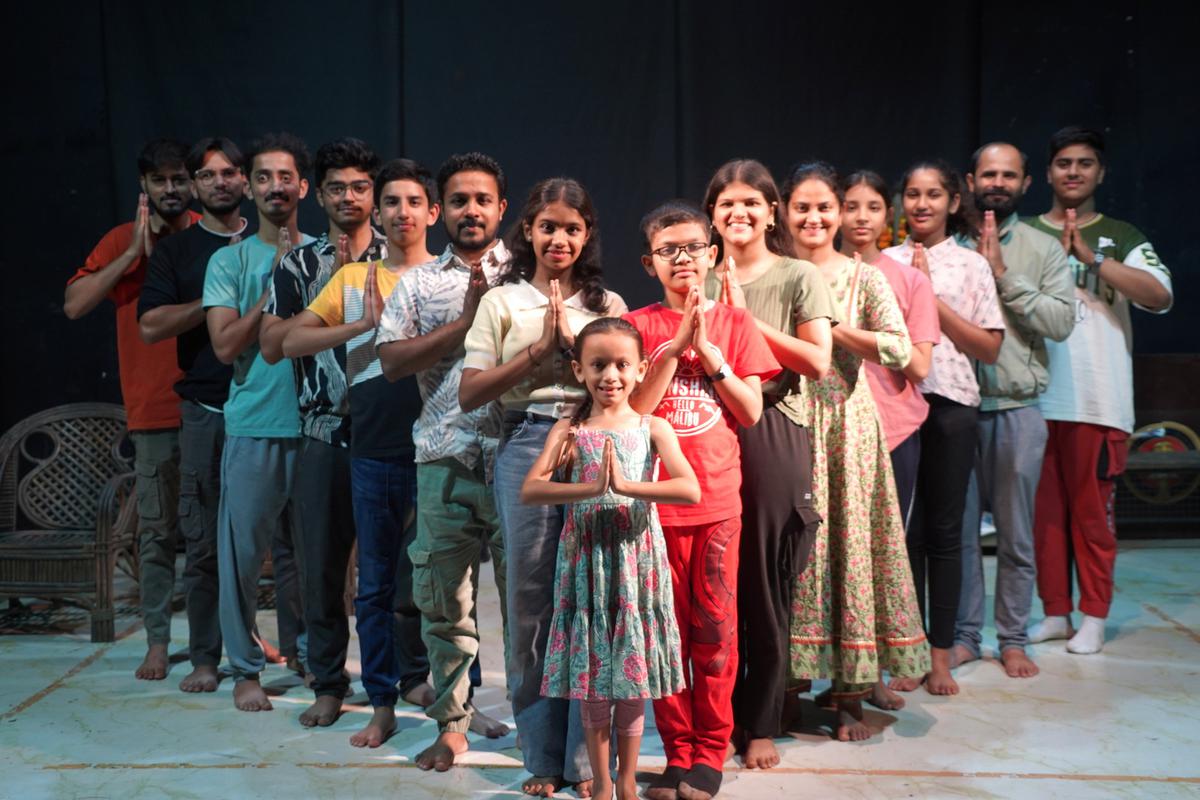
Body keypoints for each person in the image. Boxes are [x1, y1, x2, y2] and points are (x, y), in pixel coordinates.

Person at [460, 176, 627, 798]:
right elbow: (470, 391)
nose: (560, 238)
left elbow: (625, 382)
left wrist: (582, 349)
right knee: (530, 603)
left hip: (592, 441)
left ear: (587, 236)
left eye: (573, 228)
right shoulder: (501, 303)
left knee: (591, 602)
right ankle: (542, 757)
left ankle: (588, 760)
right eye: (548, 226)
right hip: (527, 437)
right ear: (527, 230)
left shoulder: (606, 302)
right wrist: (538, 353)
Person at [283, 157, 444, 745]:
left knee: (429, 584)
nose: (404, 212)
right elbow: (290, 340)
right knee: (365, 583)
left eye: (415, 202)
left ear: (433, 212)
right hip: (366, 445)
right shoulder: (355, 280)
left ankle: (430, 688)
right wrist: (358, 328)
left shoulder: (450, 279)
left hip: (436, 449)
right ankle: (360, 695)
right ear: (380, 213)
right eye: (393, 203)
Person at [625, 201, 779, 800]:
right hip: (655, 509)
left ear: (713, 255)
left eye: (693, 246)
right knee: (664, 635)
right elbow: (634, 409)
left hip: (716, 505)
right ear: (650, 262)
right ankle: (677, 750)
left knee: (714, 634)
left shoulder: (736, 324)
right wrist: (675, 346)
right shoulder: (638, 326)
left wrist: (710, 352)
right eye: (669, 250)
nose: (683, 258)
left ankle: (711, 750)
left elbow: (750, 410)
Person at [779, 162, 929, 741]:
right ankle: (786, 691)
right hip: (786, 420)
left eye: (824, 207)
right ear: (783, 213)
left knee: (847, 547)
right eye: (802, 207)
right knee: (791, 551)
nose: (813, 218)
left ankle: (847, 696)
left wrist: (830, 328)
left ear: (840, 213)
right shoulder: (777, 272)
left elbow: (899, 349)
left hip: (845, 424)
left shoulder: (862, 276)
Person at [521, 317, 699, 800]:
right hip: (587, 567)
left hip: (636, 563)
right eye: (598, 365)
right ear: (579, 370)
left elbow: (688, 486)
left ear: (642, 369)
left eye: (622, 364)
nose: (610, 376)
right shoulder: (570, 429)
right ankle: (600, 783)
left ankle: (625, 782)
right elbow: (531, 488)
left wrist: (626, 487)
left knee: (631, 675)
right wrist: (589, 488)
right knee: (594, 678)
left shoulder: (652, 426)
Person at [374, 152, 511, 773]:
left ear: (501, 208)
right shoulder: (419, 283)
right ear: (443, 211)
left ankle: (538, 728)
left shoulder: (532, 271)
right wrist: (464, 323)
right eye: (459, 201)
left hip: (520, 462)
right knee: (443, 606)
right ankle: (452, 727)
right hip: (443, 459)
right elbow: (393, 361)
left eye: (482, 199)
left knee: (529, 603)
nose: (471, 210)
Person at [697, 159, 835, 771]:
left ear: (772, 210)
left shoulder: (798, 274)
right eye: (727, 205)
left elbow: (816, 360)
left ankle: (762, 721)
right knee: (710, 583)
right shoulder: (696, 274)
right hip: (708, 429)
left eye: (752, 203)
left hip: (776, 430)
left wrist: (743, 320)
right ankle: (710, 718)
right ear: (711, 215)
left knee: (763, 581)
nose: (739, 214)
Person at [1026, 126, 1173, 654]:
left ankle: (1094, 613)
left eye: (1084, 163)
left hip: (1097, 395)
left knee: (1091, 512)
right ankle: (1055, 612)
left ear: (1100, 173)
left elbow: (1159, 295)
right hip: (1035, 395)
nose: (1072, 172)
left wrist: (1091, 258)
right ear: (1047, 172)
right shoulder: (1023, 231)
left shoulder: (1121, 235)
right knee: (1043, 515)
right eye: (1063, 162)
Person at [260, 138, 389, 728]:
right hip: (322, 430)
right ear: (320, 194)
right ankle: (330, 682)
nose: (349, 197)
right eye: (337, 186)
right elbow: (271, 346)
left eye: (360, 186)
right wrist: (331, 294)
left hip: (391, 433)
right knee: (322, 568)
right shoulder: (296, 264)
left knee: (396, 570)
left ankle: (403, 679)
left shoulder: (404, 259)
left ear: (376, 194)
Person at [65, 138, 197, 681]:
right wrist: (129, 256)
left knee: (222, 533)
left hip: (216, 404)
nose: (171, 189)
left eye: (178, 179)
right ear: (143, 186)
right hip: (154, 412)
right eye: (159, 180)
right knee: (158, 533)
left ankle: (238, 634)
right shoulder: (123, 239)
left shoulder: (206, 232)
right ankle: (160, 642)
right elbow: (74, 305)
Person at [883, 160, 1005, 695]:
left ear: (955, 202)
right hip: (896, 404)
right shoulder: (881, 262)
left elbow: (990, 347)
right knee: (903, 532)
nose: (922, 204)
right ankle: (906, 652)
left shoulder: (971, 264)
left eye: (934, 194)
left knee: (946, 533)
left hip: (952, 405)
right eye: (912, 193)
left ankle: (940, 655)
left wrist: (930, 298)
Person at [952, 142, 1074, 678]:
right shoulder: (947, 247)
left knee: (1015, 532)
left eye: (1008, 175)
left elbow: (1060, 322)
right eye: (988, 174)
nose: (996, 183)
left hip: (1018, 407)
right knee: (956, 535)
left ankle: (1013, 638)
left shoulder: (1043, 248)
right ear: (969, 181)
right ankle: (962, 636)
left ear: (1027, 184)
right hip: (955, 406)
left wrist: (1002, 273)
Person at [203, 132, 314, 712]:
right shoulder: (230, 259)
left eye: (285, 177)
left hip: (318, 427)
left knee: (315, 560)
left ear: (304, 186)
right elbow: (223, 347)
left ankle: (309, 657)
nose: (276, 187)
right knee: (244, 557)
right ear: (250, 186)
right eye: (264, 177)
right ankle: (245, 667)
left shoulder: (326, 253)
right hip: (254, 425)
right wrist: (273, 287)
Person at [137, 136, 248, 693]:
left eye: (230, 173)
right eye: (208, 175)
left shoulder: (276, 244)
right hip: (206, 409)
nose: (220, 182)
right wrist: (214, 303)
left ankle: (289, 657)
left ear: (246, 182)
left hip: (272, 411)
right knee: (203, 543)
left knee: (282, 543)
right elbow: (150, 325)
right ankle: (207, 657)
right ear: (197, 186)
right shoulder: (178, 253)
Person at [840, 170, 938, 528]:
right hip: (830, 426)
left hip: (892, 427)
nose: (862, 217)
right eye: (851, 206)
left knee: (888, 539)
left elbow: (920, 366)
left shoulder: (910, 280)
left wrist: (855, 336)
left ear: (888, 215)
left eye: (874, 207)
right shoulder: (809, 274)